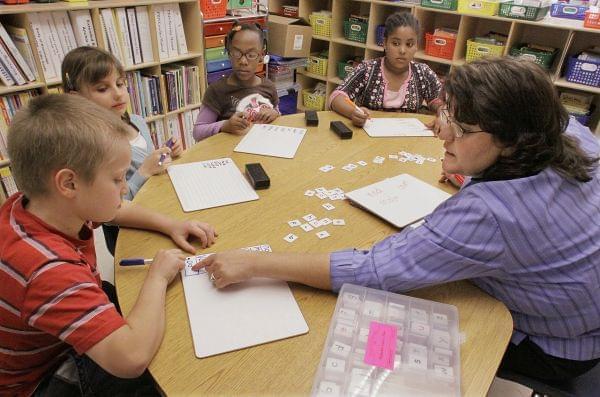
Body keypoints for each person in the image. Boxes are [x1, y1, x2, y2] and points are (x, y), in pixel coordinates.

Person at [195, 57, 600, 382]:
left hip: (558, 346)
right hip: (586, 315)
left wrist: (255, 262)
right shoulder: (570, 134)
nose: (444, 135)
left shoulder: (490, 213)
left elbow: (373, 270)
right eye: (447, 118)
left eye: (459, 128)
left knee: (389, 331)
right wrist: (471, 168)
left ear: (511, 141)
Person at [0, 94, 217, 396]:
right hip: (41, 378)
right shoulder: (48, 270)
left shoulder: (42, 204)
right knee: (167, 371)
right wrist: (157, 276)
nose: (126, 187)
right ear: (69, 184)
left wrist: (172, 224)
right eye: (117, 179)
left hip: (49, 333)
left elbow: (116, 209)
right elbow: (130, 358)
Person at [62, 46, 184, 254]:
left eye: (120, 84)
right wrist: (144, 172)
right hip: (128, 231)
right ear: (76, 98)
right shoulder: (91, 148)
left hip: (160, 207)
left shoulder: (136, 121)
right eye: (102, 89)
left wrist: (165, 152)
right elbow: (108, 213)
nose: (118, 94)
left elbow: (147, 162)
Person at [328, 12, 443, 128]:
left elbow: (440, 102)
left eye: (409, 44)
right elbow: (336, 97)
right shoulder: (367, 69)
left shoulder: (423, 73)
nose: (402, 50)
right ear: (385, 43)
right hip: (367, 138)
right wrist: (353, 112)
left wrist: (442, 115)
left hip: (407, 138)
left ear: (416, 47)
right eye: (395, 43)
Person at [193, 22, 280, 142]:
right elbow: (198, 132)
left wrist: (275, 113)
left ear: (261, 55)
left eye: (251, 55)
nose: (243, 61)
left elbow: (277, 114)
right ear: (229, 53)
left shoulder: (268, 87)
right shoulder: (217, 90)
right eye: (237, 53)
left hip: (261, 147)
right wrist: (225, 126)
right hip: (228, 153)